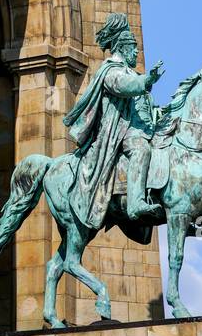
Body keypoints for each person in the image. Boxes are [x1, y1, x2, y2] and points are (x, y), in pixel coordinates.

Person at [63, 13, 164, 229]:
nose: (137, 51)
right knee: (142, 150)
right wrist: (147, 80)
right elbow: (124, 86)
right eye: (133, 47)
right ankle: (135, 203)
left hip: (140, 129)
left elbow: (146, 107)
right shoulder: (110, 71)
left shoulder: (132, 73)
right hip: (119, 133)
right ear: (122, 48)